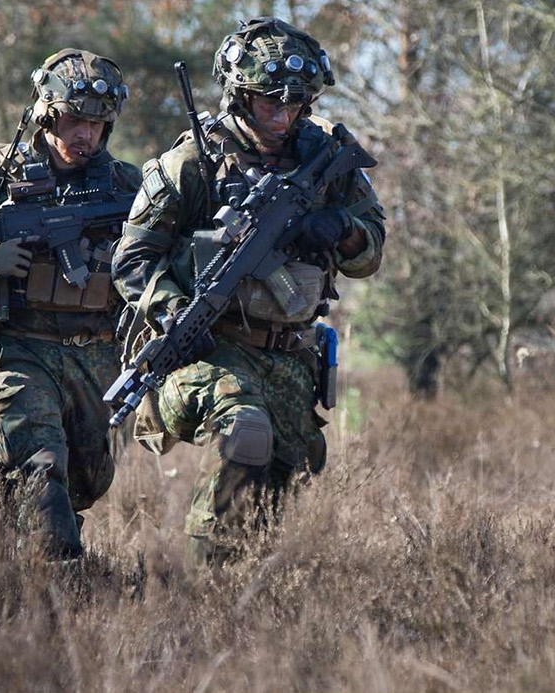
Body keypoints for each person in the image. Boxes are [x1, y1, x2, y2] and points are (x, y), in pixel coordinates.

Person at [112, 17, 387, 571]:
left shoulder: (325, 158)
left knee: (281, 483)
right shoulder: (192, 163)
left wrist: (341, 228)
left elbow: (370, 252)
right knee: (246, 435)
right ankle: (196, 592)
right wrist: (170, 313)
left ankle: (241, 608)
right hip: (205, 346)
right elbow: (133, 261)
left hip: (289, 355)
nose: (282, 116)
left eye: (294, 104)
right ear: (238, 95)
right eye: (268, 103)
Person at [0, 49, 141, 559]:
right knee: (37, 469)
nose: (86, 134)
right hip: (20, 349)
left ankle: (28, 559)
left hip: (98, 356)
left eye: (97, 123)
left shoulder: (127, 184)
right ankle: (60, 591)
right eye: (75, 120)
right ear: (47, 115)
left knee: (85, 481)